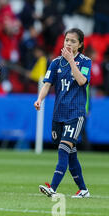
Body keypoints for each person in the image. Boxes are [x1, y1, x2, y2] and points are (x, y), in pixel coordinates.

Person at [35, 28, 91, 198]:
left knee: (63, 149)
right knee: (70, 154)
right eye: (67, 40)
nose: (68, 43)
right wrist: (39, 99)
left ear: (80, 44)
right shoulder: (55, 62)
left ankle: (52, 187)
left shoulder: (85, 61)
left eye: (73, 41)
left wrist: (71, 62)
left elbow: (82, 81)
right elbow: (46, 84)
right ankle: (83, 190)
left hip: (76, 113)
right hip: (59, 114)